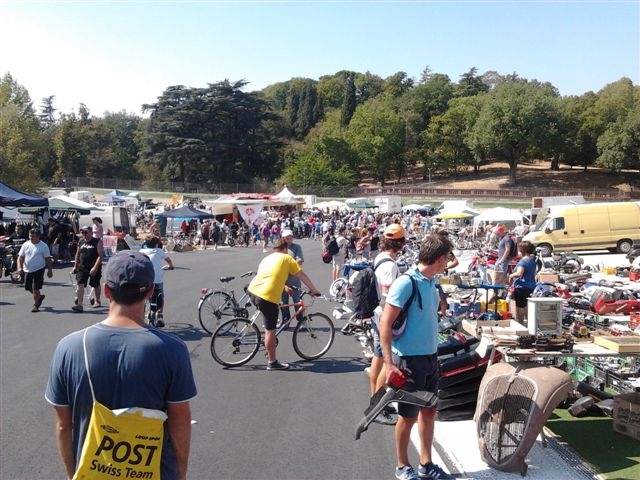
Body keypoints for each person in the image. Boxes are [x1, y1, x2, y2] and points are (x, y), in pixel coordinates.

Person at [45, 251, 197, 480]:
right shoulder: (172, 349)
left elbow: (63, 426)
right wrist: (180, 474)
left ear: (106, 290)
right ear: (150, 291)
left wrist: (72, 474)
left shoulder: (69, 347)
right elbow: (180, 422)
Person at [379, 233, 455, 480]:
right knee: (408, 416)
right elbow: (385, 324)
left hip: (430, 358)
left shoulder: (431, 282)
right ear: (440, 259)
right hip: (409, 361)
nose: (448, 262)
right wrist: (389, 364)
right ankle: (402, 466)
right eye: (447, 258)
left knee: (429, 412)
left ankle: (426, 463)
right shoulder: (406, 283)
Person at [247, 237, 321, 370]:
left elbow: (270, 276)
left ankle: (268, 344)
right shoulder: (287, 258)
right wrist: (314, 290)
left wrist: (285, 287)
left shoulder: (267, 258)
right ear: (286, 249)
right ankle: (272, 362)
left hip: (253, 291)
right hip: (266, 296)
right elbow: (302, 276)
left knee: (268, 322)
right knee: (270, 331)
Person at [369, 223, 406, 425]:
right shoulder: (390, 265)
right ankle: (379, 407)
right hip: (385, 318)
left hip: (377, 316)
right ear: (401, 243)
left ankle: (374, 402)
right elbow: (388, 294)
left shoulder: (380, 257)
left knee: (378, 359)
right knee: (387, 362)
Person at [140, 236, 175, 327]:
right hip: (157, 280)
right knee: (160, 296)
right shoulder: (159, 251)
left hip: (144, 280)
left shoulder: (141, 252)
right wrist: (171, 266)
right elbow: (168, 260)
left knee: (143, 297)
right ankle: (160, 315)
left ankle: (140, 316)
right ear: (156, 244)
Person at [16, 229, 53, 312]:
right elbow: (20, 257)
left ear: (38, 237)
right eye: (30, 236)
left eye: (33, 236)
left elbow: (48, 259)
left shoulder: (43, 246)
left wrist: (50, 270)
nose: (31, 238)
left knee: (36, 288)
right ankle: (39, 297)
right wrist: (19, 267)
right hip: (27, 269)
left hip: (39, 269)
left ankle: (36, 305)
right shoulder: (25, 244)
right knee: (28, 287)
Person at [71, 225, 104, 312]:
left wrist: (95, 268)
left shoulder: (97, 242)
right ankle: (79, 305)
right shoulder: (81, 242)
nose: (84, 234)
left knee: (95, 284)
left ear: (91, 233)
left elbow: (100, 256)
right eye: (82, 232)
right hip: (82, 267)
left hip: (94, 266)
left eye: (86, 232)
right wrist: (75, 266)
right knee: (80, 284)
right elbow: (78, 254)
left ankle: (97, 300)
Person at [507, 240, 537, 323]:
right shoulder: (532, 260)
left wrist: (511, 275)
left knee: (520, 306)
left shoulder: (523, 261)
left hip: (521, 287)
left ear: (523, 251)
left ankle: (521, 323)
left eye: (519, 250)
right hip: (531, 286)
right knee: (526, 305)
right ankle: (529, 323)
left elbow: (519, 273)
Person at [280, 229, 305, 323]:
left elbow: (300, 260)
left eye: (291, 238)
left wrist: (289, 266)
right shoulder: (280, 248)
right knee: (284, 302)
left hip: (294, 279)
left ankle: (301, 322)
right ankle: (286, 321)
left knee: (297, 301)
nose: (289, 240)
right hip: (283, 280)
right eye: (287, 238)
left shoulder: (296, 247)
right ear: (283, 238)